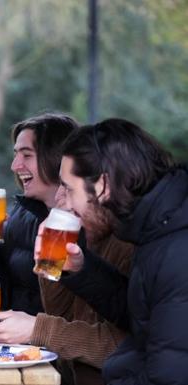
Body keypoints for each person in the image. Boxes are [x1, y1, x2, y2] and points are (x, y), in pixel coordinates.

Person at [39, 118, 186, 384]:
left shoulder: (176, 248)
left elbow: (167, 377)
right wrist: (82, 270)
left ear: (103, 186)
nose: (65, 203)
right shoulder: (157, 226)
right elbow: (140, 312)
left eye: (69, 189)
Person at [0, 184, 133, 385]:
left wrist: (37, 329)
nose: (59, 194)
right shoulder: (84, 237)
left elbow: (126, 345)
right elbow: (60, 313)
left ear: (102, 186)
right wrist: (51, 266)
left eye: (67, 187)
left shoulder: (130, 245)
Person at [0, 113, 78, 314]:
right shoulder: (22, 214)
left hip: (50, 343)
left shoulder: (88, 224)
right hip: (13, 341)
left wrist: (34, 329)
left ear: (56, 158)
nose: (15, 165)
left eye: (27, 155)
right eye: (16, 154)